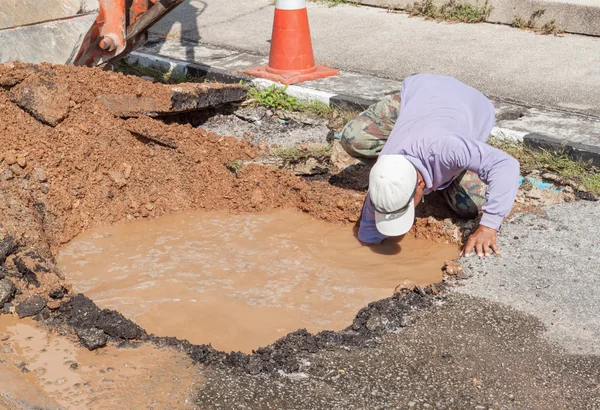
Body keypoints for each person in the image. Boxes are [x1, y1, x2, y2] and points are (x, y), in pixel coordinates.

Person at [340, 74, 520, 257]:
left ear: (420, 184)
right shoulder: (385, 172)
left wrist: (489, 226)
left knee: (470, 206)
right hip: (425, 102)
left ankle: (469, 155)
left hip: (467, 103)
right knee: (354, 138)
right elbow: (369, 230)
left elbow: (506, 165)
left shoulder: (446, 149)